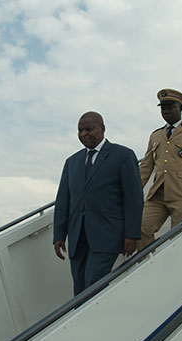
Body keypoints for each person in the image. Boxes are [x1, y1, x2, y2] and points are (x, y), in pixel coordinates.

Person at [53, 111, 143, 295]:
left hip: (107, 236)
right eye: (80, 130)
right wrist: (59, 235)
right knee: (79, 288)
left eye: (88, 129)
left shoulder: (123, 155)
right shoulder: (72, 162)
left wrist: (131, 235)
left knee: (93, 285)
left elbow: (134, 198)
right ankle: (82, 323)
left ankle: (90, 322)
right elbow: (63, 201)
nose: (84, 134)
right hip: (78, 237)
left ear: (102, 128)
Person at [138, 89, 182, 250]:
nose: (166, 111)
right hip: (158, 194)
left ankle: (174, 270)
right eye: (163, 108)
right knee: (141, 228)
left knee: (178, 237)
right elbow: (145, 168)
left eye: (171, 107)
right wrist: (133, 192)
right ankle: (146, 266)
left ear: (181, 108)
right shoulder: (156, 136)